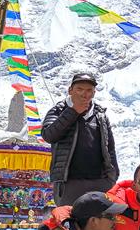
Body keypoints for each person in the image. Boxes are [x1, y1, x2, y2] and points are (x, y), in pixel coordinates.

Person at [42, 73, 119, 205]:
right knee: (70, 217)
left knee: (100, 217)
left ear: (94, 93)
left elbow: (110, 148)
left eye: (89, 90)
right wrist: (73, 112)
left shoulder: (100, 115)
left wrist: (112, 176)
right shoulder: (58, 111)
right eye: (79, 89)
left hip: (100, 182)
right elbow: (49, 135)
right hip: (69, 183)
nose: (84, 94)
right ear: (70, 90)